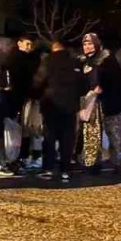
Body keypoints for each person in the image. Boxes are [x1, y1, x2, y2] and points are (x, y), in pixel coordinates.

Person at [31, 37, 84, 183]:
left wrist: (36, 95)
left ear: (54, 47)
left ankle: (48, 168)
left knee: (50, 137)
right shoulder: (75, 62)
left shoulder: (48, 61)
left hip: (51, 104)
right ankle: (65, 170)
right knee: (67, 138)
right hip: (70, 105)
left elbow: (38, 81)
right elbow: (83, 85)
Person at [80, 32, 121, 172]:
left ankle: (116, 161)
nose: (87, 47)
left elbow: (115, 80)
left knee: (114, 134)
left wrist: (101, 86)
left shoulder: (107, 60)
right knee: (92, 134)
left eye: (90, 44)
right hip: (92, 104)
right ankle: (93, 162)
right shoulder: (83, 61)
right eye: (85, 44)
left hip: (111, 103)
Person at [0, 32, 41, 175]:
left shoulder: (29, 58)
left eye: (31, 44)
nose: (29, 47)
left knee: (21, 130)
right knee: (16, 130)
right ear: (19, 43)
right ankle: (12, 159)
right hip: (16, 97)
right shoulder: (15, 59)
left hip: (22, 97)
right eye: (27, 44)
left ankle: (16, 159)